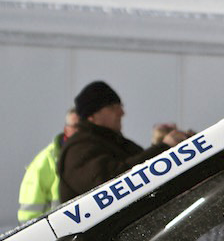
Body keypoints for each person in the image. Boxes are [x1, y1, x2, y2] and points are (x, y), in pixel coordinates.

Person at [57, 82, 191, 202]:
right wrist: (163, 148)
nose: (121, 112)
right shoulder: (78, 149)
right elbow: (113, 186)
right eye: (112, 107)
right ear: (92, 115)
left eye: (120, 106)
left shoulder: (114, 142)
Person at [18, 110, 77, 222]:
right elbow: (29, 214)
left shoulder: (96, 155)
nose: (81, 131)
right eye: (76, 126)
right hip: (58, 229)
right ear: (66, 129)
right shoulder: (43, 163)